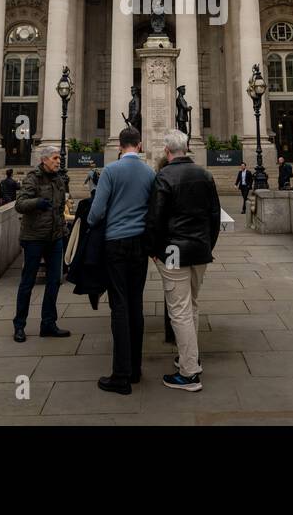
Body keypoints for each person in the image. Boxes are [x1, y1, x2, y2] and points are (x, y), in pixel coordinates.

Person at [146, 128, 221, 392]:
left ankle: (189, 374)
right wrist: (207, 244)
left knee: (178, 310)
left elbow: (155, 218)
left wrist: (154, 249)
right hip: (200, 249)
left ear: (167, 152)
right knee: (192, 306)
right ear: (187, 149)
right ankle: (191, 358)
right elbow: (214, 217)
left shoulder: (164, 176)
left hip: (174, 250)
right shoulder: (205, 174)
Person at [88, 126, 156, 395]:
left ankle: (121, 375)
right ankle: (136, 369)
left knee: (119, 305)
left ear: (119, 146)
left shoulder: (111, 171)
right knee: (135, 303)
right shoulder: (149, 172)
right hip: (139, 245)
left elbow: (96, 212)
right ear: (139, 145)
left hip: (115, 244)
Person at [12, 145, 71, 342]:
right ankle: (19, 325)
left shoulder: (59, 180)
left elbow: (61, 208)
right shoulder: (33, 178)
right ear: (44, 160)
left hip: (54, 238)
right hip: (34, 238)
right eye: (55, 158)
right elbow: (19, 204)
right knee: (27, 283)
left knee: (54, 281)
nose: (58, 161)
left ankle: (48, 323)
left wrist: (63, 231)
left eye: (58, 158)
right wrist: (37, 202)